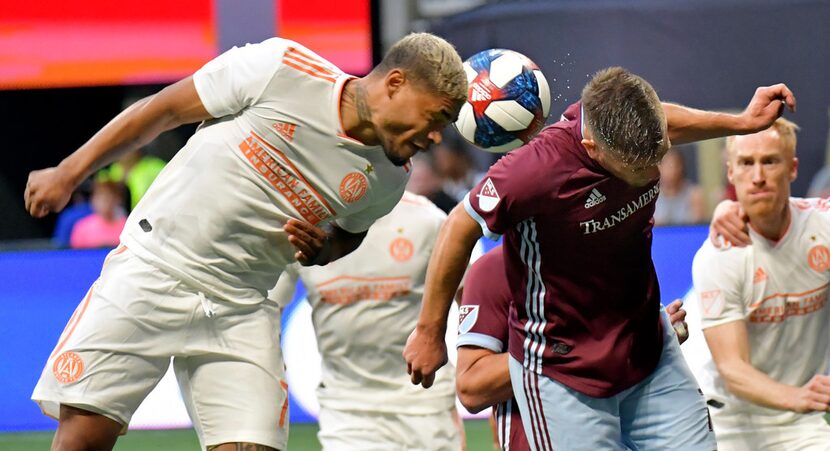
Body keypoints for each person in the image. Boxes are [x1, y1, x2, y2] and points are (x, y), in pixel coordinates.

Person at [25, 32, 467, 451]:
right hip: (154, 268)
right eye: (436, 118)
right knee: (84, 439)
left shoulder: (389, 179)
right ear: (395, 83)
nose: (434, 139)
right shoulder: (281, 68)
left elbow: (347, 237)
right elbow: (162, 111)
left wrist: (322, 250)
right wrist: (68, 173)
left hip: (241, 306)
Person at [403, 66, 796, 450]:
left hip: (647, 351)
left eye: (655, 156)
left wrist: (743, 122)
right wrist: (428, 331)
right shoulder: (534, 171)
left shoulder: (636, 124)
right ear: (593, 147)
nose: (650, 172)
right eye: (637, 167)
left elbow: (666, 118)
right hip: (565, 375)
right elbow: (459, 225)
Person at [270, 191, 462, 450]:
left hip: (426, 406)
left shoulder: (428, 220)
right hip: (347, 411)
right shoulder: (303, 229)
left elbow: (472, 303)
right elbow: (268, 313)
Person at [455, 245, 691, 451]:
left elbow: (616, 356)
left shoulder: (619, 255)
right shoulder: (495, 268)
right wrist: (571, 346)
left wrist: (654, 336)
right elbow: (472, 388)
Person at [691, 118, 830, 450]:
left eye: (769, 161)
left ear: (793, 168)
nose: (757, 176)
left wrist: (803, 402)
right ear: (730, 172)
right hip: (731, 423)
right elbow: (732, 369)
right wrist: (798, 396)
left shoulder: (822, 225)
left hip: (805, 424)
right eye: (746, 163)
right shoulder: (716, 256)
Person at [69, 178, 127, 249]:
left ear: (117, 199)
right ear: (93, 199)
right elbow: (76, 256)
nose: (105, 202)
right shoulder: (81, 227)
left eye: (109, 197)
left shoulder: (127, 227)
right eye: (100, 196)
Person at [654, 147, 706, 225]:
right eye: (664, 164)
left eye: (672, 165)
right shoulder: (651, 196)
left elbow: (698, 226)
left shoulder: (694, 194)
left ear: (681, 167)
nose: (668, 170)